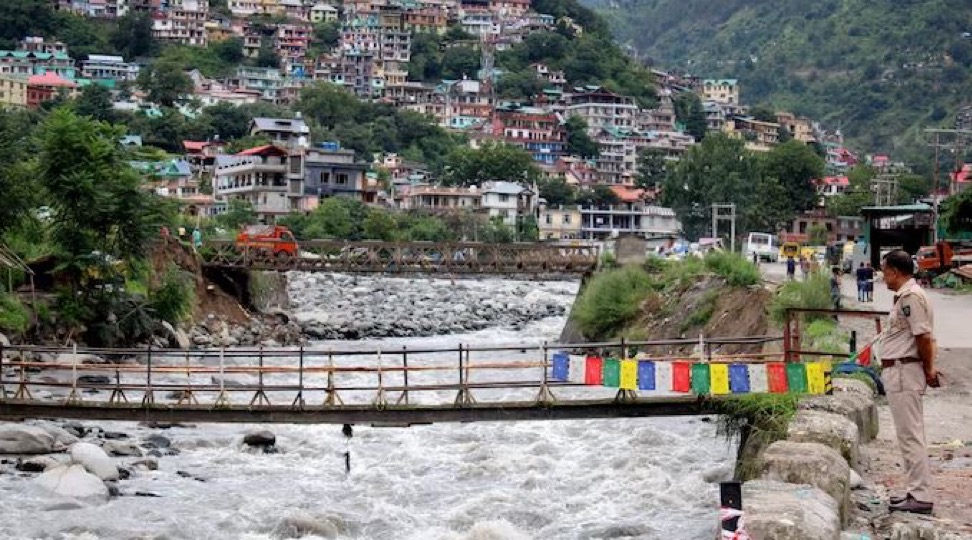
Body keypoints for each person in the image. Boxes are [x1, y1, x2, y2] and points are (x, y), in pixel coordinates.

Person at [880, 250, 939, 515]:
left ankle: (920, 495)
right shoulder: (906, 296)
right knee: (908, 435)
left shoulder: (911, 298)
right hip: (900, 370)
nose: (883, 277)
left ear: (895, 270)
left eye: (885, 271)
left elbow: (924, 337)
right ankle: (915, 491)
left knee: (910, 435)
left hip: (905, 370)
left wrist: (929, 369)